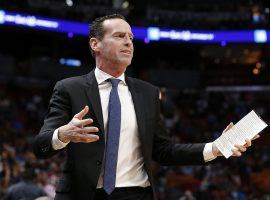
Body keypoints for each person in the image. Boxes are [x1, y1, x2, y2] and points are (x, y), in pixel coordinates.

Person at [33, 14, 259, 200]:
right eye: (119, 36)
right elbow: (40, 147)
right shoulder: (68, 88)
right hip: (83, 195)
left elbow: (163, 151)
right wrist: (62, 134)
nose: (128, 42)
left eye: (130, 37)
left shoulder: (149, 93)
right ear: (95, 44)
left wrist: (215, 147)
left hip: (135, 194)